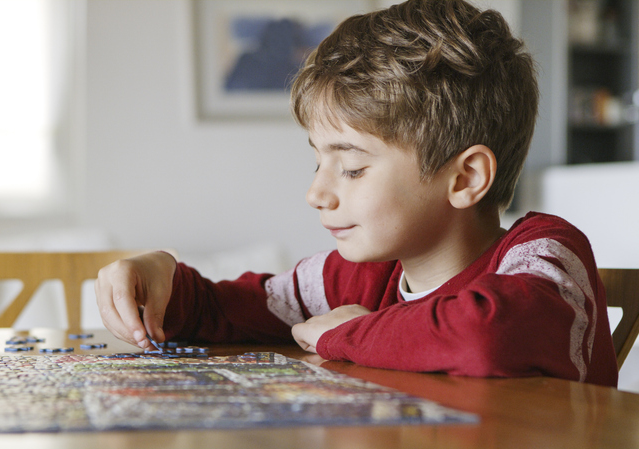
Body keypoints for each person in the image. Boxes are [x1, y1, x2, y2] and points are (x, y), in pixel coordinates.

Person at [95, 0, 618, 387]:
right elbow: (239, 308)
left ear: (465, 179)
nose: (316, 192)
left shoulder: (545, 253)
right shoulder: (360, 275)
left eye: (350, 167)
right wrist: (165, 280)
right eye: (318, 160)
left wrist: (347, 334)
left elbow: (488, 334)